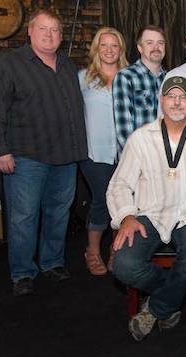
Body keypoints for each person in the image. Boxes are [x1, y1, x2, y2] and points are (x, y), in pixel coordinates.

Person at [0, 9, 87, 296]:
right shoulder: (9, 64)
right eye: (43, 28)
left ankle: (52, 263)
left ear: (61, 36)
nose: (49, 35)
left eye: (55, 30)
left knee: (58, 213)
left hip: (65, 156)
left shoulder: (66, 65)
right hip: (27, 155)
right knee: (24, 216)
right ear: (30, 31)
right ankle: (23, 272)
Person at [107, 77, 186, 341]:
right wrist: (126, 216)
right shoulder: (141, 138)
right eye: (171, 96)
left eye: (183, 97)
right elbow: (119, 184)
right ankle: (171, 295)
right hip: (150, 213)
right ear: (161, 101)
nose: (177, 102)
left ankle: (156, 308)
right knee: (123, 265)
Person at [78, 27, 128, 275]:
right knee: (102, 201)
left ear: (121, 49)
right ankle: (93, 251)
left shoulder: (130, 76)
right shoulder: (83, 78)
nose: (109, 50)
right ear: (96, 49)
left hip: (127, 154)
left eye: (114, 45)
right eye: (104, 45)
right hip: (94, 154)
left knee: (123, 204)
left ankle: (116, 252)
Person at [113, 25, 166, 154]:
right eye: (149, 43)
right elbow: (123, 129)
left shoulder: (170, 79)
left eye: (160, 43)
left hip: (165, 157)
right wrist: (140, 158)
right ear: (140, 48)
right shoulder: (126, 77)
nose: (156, 47)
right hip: (136, 157)